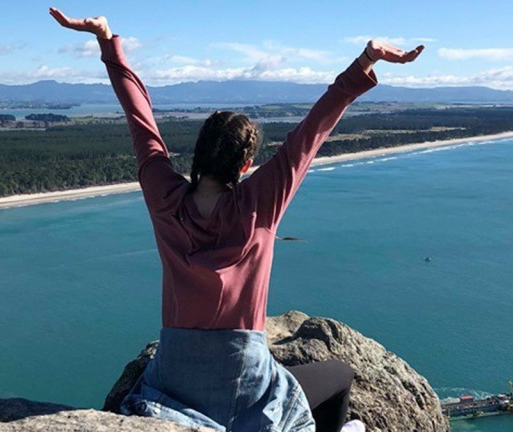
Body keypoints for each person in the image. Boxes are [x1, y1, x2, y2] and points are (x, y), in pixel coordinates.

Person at [50, 7, 424, 432]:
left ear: (199, 154)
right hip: (245, 387)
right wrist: (365, 62)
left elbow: (142, 124)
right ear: (245, 165)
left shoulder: (165, 198)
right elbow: (310, 134)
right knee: (338, 375)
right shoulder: (258, 203)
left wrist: (107, 41)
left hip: (173, 384)